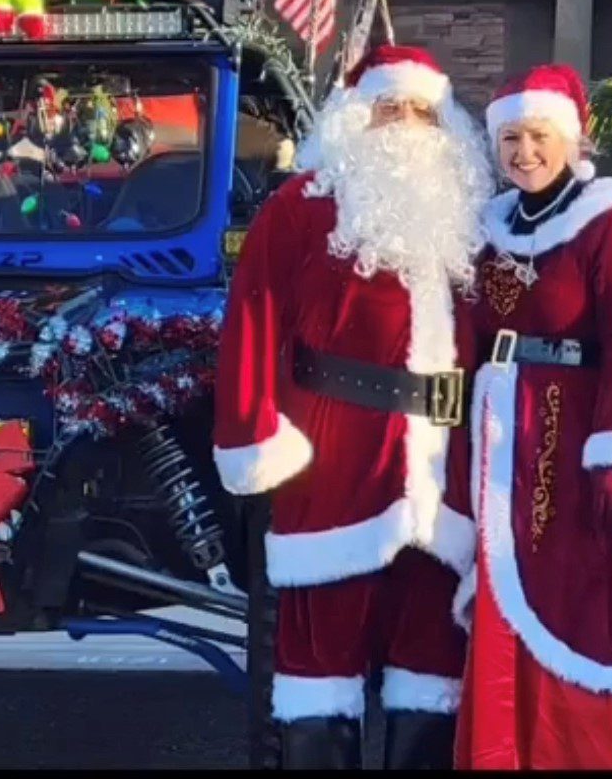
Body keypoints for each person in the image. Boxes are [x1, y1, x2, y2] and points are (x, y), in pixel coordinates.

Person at [212, 45, 495, 769]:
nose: (405, 124)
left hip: (443, 475)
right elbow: (253, 319)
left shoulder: (470, 217)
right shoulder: (300, 207)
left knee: (433, 662)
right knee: (320, 666)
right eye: (388, 106)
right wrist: (252, 435)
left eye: (421, 110)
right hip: (332, 465)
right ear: (353, 116)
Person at [453, 64, 612, 769]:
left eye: (538, 137)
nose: (524, 153)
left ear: (571, 139)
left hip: (570, 437)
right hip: (495, 448)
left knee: (580, 599)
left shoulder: (605, 225)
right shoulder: (489, 231)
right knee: (504, 591)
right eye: (511, 139)